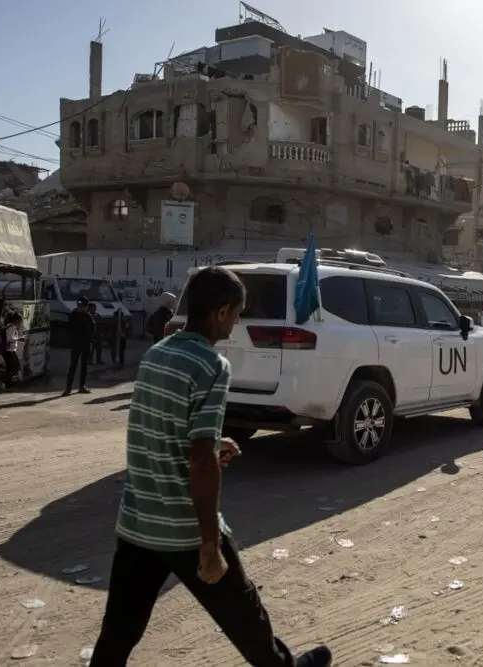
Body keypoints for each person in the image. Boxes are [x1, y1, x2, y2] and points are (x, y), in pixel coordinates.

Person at [89, 267, 331, 667]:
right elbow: (200, 461)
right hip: (184, 529)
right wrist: (209, 544)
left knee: (118, 633)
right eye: (236, 313)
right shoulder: (212, 365)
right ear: (220, 312)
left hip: (137, 523)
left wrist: (213, 443)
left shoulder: (156, 354)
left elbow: (158, 429)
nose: (237, 322)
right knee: (247, 621)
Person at [64, 297, 95, 395]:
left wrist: (90, 341)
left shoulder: (89, 316)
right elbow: (70, 329)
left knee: (84, 366)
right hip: (76, 344)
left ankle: (82, 386)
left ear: (86, 307)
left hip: (86, 344)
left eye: (82, 306)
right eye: (79, 305)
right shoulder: (73, 315)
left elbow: (92, 330)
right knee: (73, 365)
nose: (80, 307)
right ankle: (68, 388)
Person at [2, 312, 25, 387]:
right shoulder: (12, 327)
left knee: (12, 368)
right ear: (16, 321)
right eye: (20, 321)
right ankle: (4, 381)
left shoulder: (9, 326)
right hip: (10, 351)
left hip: (9, 350)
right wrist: (19, 338)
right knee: (14, 367)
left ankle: (8, 383)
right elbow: (9, 339)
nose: (20, 323)